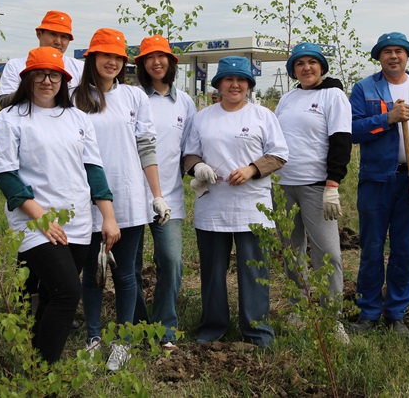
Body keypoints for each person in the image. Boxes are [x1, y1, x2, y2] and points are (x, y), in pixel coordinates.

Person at [0, 46, 120, 363]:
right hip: (34, 222)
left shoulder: (77, 118)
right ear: (27, 78)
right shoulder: (10, 119)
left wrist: (108, 217)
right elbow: (5, 176)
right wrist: (41, 218)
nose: (47, 80)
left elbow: (94, 169)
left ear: (64, 80)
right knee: (66, 293)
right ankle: (43, 374)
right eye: (40, 74)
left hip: (76, 222)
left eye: (54, 75)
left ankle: (34, 358)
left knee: (50, 295)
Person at [72, 28, 168, 370]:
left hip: (127, 197)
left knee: (126, 274)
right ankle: (94, 337)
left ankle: (123, 342)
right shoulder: (73, 97)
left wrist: (157, 195)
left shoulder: (133, 98)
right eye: (105, 55)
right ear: (92, 59)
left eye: (117, 57)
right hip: (85, 199)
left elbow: (146, 147)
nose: (111, 62)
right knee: (92, 273)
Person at [182, 56, 288, 347]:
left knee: (254, 270)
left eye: (241, 80)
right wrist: (198, 168)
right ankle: (212, 327)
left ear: (249, 85)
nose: (235, 85)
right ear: (218, 84)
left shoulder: (262, 116)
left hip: (252, 207)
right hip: (212, 207)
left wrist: (252, 169)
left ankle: (257, 331)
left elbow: (279, 154)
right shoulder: (202, 117)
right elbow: (189, 154)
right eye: (229, 79)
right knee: (213, 271)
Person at [349, 32, 409, 335]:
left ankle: (396, 313)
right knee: (372, 248)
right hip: (376, 180)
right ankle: (368, 313)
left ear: (408, 56)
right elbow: (351, 130)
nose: (393, 56)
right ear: (379, 57)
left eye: (399, 51)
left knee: (405, 249)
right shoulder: (365, 89)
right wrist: (386, 119)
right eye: (387, 51)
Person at [274, 43, 352, 344]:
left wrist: (333, 184)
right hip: (284, 185)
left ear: (322, 66)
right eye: (300, 63)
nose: (306, 68)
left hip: (317, 185)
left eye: (312, 62)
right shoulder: (288, 98)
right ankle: (298, 308)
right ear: (293, 69)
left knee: (328, 253)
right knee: (292, 252)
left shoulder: (333, 96)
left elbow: (341, 140)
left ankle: (332, 319)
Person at [131, 34, 196, 351]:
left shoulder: (184, 103)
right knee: (129, 267)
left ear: (172, 62)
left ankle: (164, 328)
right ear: (141, 64)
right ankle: (137, 323)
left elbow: (189, 150)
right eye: (149, 57)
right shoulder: (130, 98)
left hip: (167, 196)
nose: (157, 62)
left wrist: (198, 172)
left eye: (162, 57)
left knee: (171, 261)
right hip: (129, 196)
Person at [0, 10, 84, 108]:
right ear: (39, 34)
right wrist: (33, 86)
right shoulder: (15, 65)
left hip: (67, 122)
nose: (58, 41)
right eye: (53, 34)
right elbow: (4, 101)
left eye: (64, 37)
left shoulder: (80, 67)